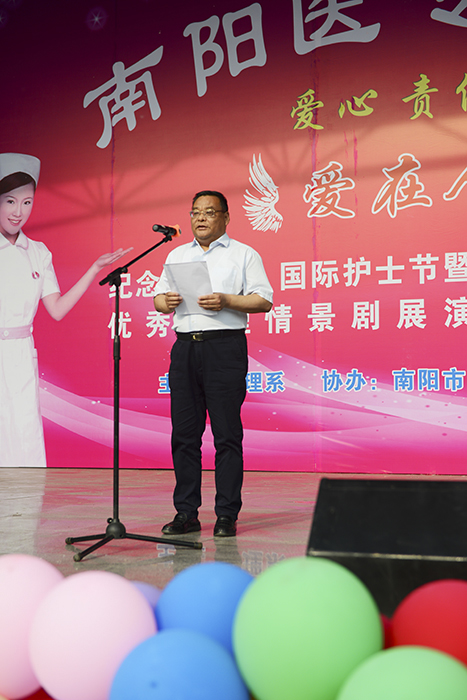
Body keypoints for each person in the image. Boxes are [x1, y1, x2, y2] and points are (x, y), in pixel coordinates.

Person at [0, 152, 132, 468]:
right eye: (10, 202)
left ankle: (27, 501)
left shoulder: (38, 253)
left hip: (21, 353)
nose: (18, 212)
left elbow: (57, 309)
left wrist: (94, 269)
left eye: (27, 202)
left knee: (26, 435)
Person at [153, 190, 273, 537]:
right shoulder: (177, 254)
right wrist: (165, 301)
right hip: (185, 350)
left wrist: (226, 301)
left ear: (226, 217)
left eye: (209, 212)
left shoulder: (244, 254)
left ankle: (226, 514)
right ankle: (186, 513)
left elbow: (264, 300)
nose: (201, 218)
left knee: (226, 435)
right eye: (195, 212)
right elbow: (159, 298)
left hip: (224, 348)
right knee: (184, 435)